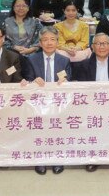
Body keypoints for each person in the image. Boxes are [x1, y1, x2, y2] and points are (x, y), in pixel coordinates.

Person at [71, 33, 109, 172]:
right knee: (93, 129)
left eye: (105, 44)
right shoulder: (85, 64)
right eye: (98, 43)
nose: (102, 46)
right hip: (92, 106)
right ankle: (94, 158)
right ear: (92, 47)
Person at [23, 28, 72, 175]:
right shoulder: (31, 59)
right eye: (45, 39)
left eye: (52, 39)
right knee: (39, 128)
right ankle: (40, 158)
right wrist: (33, 81)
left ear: (57, 42)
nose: (49, 43)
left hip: (58, 103)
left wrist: (65, 81)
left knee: (58, 127)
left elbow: (70, 81)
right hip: (38, 103)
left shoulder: (64, 60)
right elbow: (27, 80)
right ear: (40, 43)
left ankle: (57, 158)